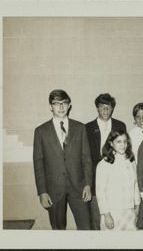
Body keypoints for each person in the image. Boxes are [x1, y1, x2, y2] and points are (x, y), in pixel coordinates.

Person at [33, 89, 92, 230]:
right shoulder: (41, 131)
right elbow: (38, 163)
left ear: (69, 105)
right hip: (53, 190)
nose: (61, 107)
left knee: (86, 228)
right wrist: (42, 191)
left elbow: (87, 159)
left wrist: (88, 184)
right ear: (50, 106)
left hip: (79, 188)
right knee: (58, 229)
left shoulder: (80, 128)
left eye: (64, 103)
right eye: (56, 103)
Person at [85, 93, 126, 230]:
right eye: (102, 107)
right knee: (97, 220)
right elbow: (85, 157)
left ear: (112, 109)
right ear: (97, 108)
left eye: (108, 107)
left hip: (116, 181)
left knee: (117, 222)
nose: (105, 110)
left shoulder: (120, 125)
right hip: (95, 180)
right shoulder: (87, 128)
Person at [96, 129, 140, 230]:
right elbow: (100, 192)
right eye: (118, 141)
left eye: (125, 141)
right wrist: (107, 215)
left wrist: (137, 207)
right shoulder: (104, 164)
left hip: (129, 211)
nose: (123, 145)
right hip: (112, 212)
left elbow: (135, 185)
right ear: (111, 143)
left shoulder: (131, 161)